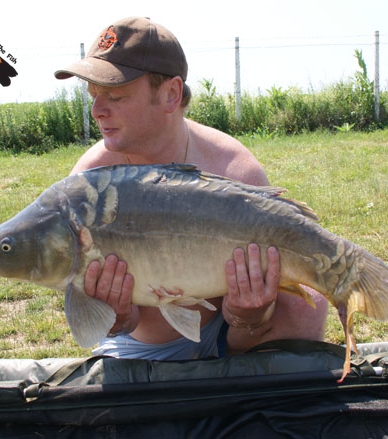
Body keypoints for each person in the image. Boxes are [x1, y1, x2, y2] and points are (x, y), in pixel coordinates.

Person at [55, 16, 328, 360]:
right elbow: (107, 319)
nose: (97, 111)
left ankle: (243, 391)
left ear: (171, 94)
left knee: (308, 305)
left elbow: (265, 296)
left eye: (115, 96)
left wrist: (248, 315)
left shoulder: (231, 168)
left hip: (235, 335)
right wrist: (116, 314)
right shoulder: (90, 182)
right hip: (145, 342)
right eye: (93, 95)